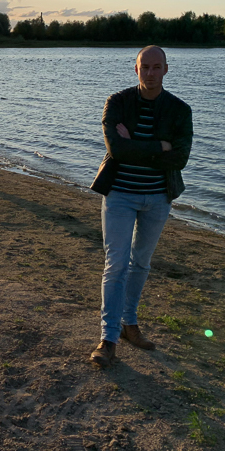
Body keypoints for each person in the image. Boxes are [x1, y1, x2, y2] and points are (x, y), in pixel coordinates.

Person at [88, 46, 193, 367]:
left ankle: (129, 324)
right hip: (119, 194)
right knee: (116, 264)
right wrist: (158, 146)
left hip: (158, 197)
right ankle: (108, 338)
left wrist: (136, 145)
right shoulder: (117, 102)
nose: (150, 72)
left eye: (156, 67)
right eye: (144, 67)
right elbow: (117, 150)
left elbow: (180, 158)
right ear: (136, 70)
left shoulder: (179, 110)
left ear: (165, 69)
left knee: (141, 264)